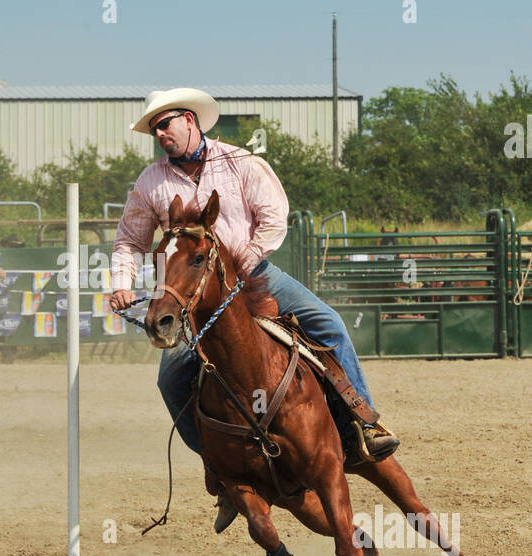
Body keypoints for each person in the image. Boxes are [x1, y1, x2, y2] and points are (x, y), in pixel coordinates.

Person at [109, 89, 399, 532]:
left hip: (256, 275)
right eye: (154, 129)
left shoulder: (241, 162)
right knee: (170, 378)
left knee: (330, 325)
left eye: (165, 123)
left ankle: (364, 422)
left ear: (191, 120)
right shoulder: (151, 182)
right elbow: (130, 240)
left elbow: (273, 215)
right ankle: (222, 471)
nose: (160, 134)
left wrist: (245, 258)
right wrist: (121, 284)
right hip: (197, 295)